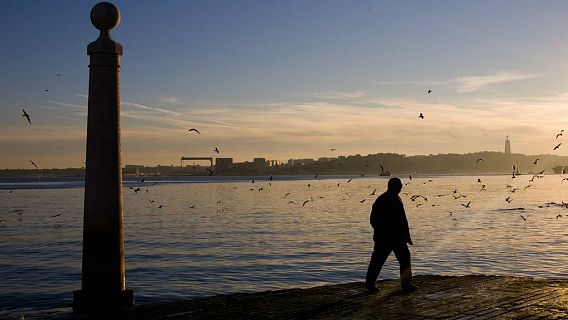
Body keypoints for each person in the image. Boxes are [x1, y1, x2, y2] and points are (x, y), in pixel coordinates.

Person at [365, 177, 417, 293]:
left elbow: (403, 220)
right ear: (392, 186)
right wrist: (383, 233)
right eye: (399, 185)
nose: (401, 187)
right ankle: (370, 284)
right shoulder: (382, 200)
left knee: (404, 259)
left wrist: (407, 236)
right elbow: (374, 220)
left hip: (397, 238)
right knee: (378, 261)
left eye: (401, 185)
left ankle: (406, 284)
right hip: (385, 238)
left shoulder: (396, 199)